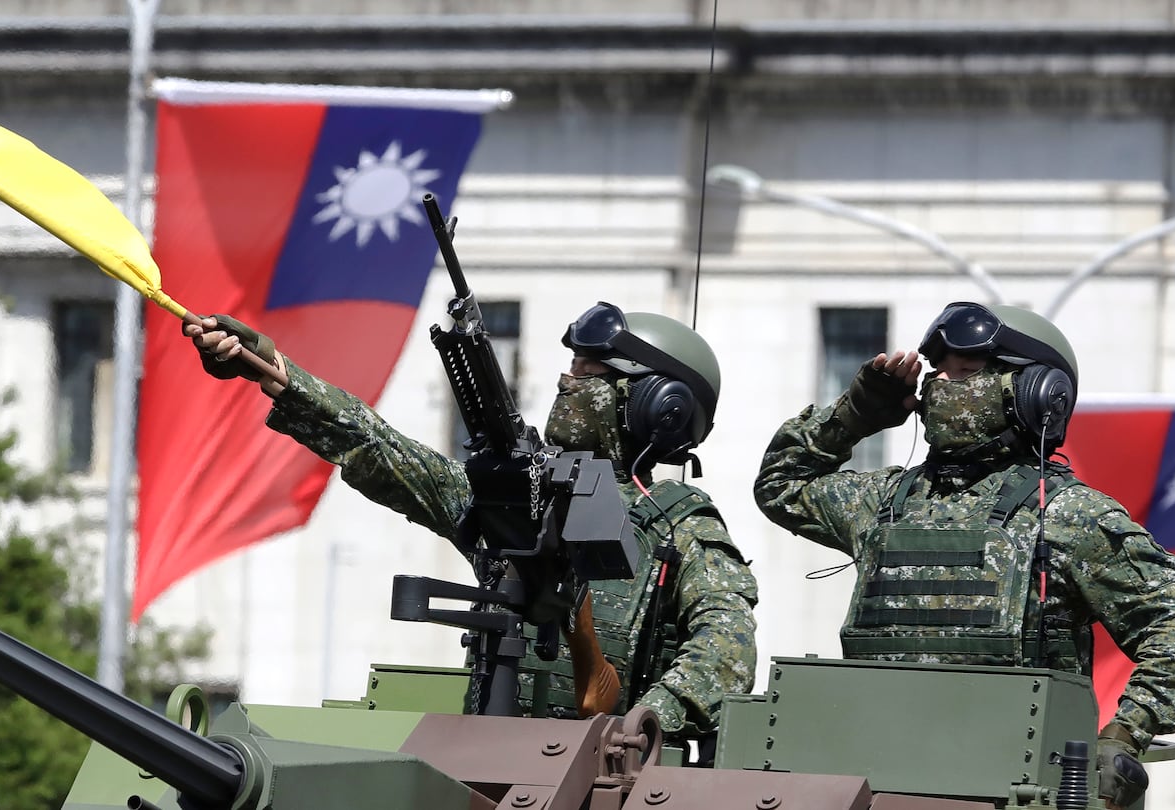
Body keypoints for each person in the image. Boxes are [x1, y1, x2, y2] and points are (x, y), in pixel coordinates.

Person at [185, 301, 758, 745]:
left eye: (590, 370)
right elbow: (382, 450)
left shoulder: (680, 527)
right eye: (571, 364)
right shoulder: (521, 493)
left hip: (601, 777)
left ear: (656, 404)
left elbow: (726, 654)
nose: (568, 380)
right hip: (484, 755)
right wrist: (275, 372)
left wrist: (638, 727)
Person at [752, 301, 1175, 809]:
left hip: (1010, 789)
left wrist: (1125, 734)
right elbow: (781, 485)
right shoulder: (881, 502)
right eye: (939, 370)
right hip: (867, 779)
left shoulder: (1068, 514)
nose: (941, 384)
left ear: (1036, 394)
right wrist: (855, 415)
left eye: (966, 371)